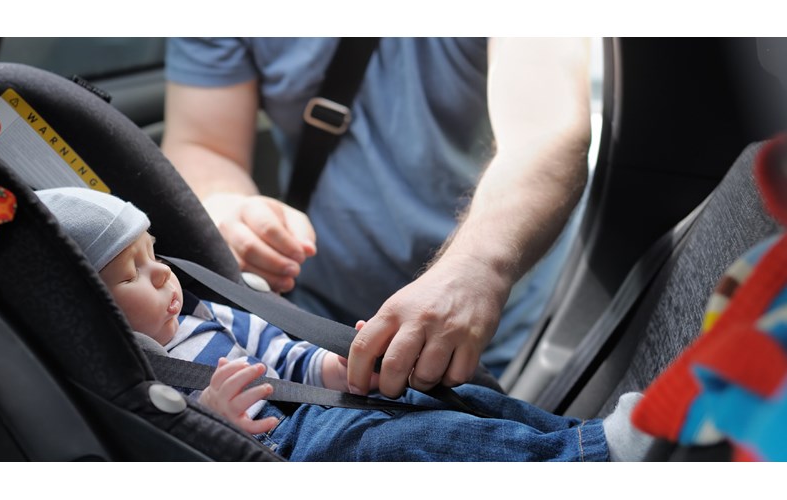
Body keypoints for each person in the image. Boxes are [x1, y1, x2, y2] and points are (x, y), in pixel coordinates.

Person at [36, 187, 651, 461]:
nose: (164, 276)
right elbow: (167, 444)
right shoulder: (132, 372)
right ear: (92, 306)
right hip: (283, 445)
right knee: (405, 444)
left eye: (155, 257)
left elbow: (278, 352)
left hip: (318, 401)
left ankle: (582, 438)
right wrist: (217, 419)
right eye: (132, 276)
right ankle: (586, 462)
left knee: (451, 398)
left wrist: (334, 365)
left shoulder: (205, 312)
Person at [160, 38, 592, 398]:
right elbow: (203, 143)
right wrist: (226, 205)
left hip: (501, 332)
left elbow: (547, 131)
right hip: (313, 323)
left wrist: (477, 269)